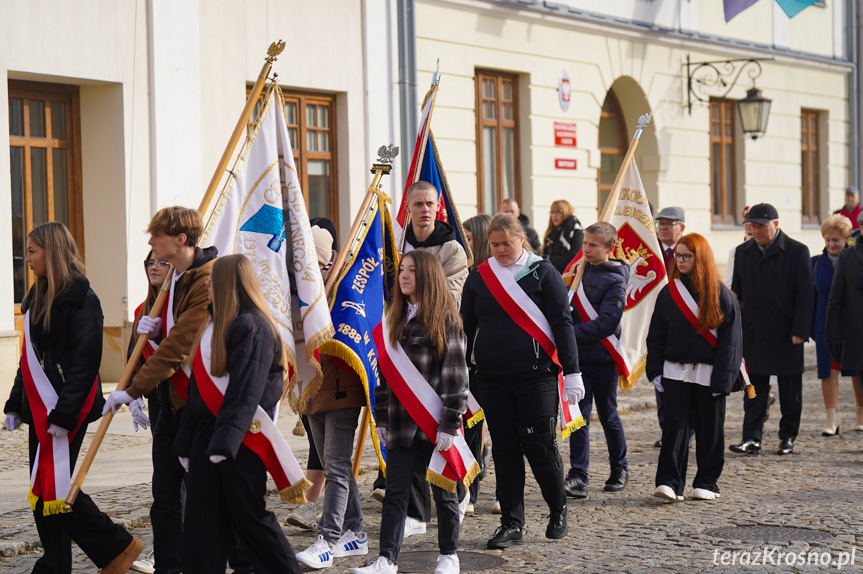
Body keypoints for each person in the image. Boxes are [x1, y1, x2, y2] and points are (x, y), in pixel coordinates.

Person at [4, 221, 144, 573]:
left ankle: (116, 546)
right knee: (46, 491)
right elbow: (30, 360)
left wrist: (64, 414)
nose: (28, 259)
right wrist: (15, 402)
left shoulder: (82, 299)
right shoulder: (36, 296)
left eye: (32, 251)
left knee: (55, 487)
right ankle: (62, 562)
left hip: (70, 408)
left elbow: (84, 364)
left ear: (51, 252)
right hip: (41, 408)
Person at [102, 206, 217, 574]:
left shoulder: (204, 280)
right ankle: (170, 566)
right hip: (168, 402)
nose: (151, 244)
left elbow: (180, 344)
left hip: (198, 401)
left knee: (205, 495)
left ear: (180, 240)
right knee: (165, 493)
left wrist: (133, 390)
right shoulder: (173, 279)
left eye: (158, 237)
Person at [171, 254, 301, 574]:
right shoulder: (214, 325)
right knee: (202, 522)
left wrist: (223, 443)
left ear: (230, 283)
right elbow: (197, 391)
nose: (207, 284)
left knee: (250, 519)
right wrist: (186, 443)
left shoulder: (253, 326)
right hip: (210, 436)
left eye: (214, 280)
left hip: (241, 439)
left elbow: (244, 391)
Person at [462, 213, 583, 549]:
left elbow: (562, 325)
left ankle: (558, 507)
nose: (500, 250)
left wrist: (572, 371)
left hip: (537, 376)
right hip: (491, 378)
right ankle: (511, 523)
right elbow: (467, 328)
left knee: (539, 446)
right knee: (505, 450)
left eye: (506, 243)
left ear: (522, 239)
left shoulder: (543, 273)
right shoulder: (480, 277)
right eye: (495, 244)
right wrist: (462, 372)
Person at [350, 250, 469, 574]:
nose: (403, 275)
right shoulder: (394, 320)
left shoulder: (446, 320)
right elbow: (384, 379)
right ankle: (387, 560)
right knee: (395, 494)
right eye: (402, 269)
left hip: (434, 426)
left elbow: (455, 378)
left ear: (428, 276)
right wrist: (383, 420)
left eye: (412, 271)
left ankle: (449, 556)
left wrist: (448, 423)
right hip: (402, 426)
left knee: (444, 492)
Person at [295, 226, 369, 569]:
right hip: (311, 387)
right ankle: (356, 532)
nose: (315, 273)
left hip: (341, 388)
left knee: (337, 465)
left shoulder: (344, 285)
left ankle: (327, 539)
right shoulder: (301, 287)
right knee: (332, 464)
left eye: (321, 266)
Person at [647, 233, 742, 502]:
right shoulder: (669, 292)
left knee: (710, 428)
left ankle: (707, 482)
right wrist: (655, 369)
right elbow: (656, 335)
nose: (680, 260)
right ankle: (669, 482)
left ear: (700, 258)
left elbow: (731, 343)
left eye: (687, 255)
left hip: (710, 374)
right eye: (678, 255)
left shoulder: (722, 295)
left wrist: (724, 380)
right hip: (675, 371)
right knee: (674, 428)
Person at [729, 203, 813, 456]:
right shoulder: (743, 252)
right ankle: (751, 438)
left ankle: (787, 436)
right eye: (752, 226)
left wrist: (800, 328)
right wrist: (735, 328)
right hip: (753, 332)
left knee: (790, 390)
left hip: (787, 332)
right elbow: (737, 294)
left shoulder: (797, 251)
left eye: (762, 226)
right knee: (753, 390)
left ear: (775, 225)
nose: (757, 231)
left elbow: (806, 294)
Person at [565, 222, 629, 499]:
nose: (586, 249)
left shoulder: (615, 279)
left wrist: (568, 335)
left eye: (593, 245)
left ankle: (619, 468)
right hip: (577, 359)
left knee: (608, 415)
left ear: (609, 248)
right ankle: (578, 475)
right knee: (578, 419)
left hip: (602, 358)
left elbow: (607, 323)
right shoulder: (579, 270)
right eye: (585, 243)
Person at [286, 223, 337, 531]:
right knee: (319, 446)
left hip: (333, 379)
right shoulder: (296, 287)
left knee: (333, 451)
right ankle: (310, 506)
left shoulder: (335, 287)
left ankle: (326, 510)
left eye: (318, 264)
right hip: (307, 376)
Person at [812, 215, 863, 435]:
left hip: (852, 322)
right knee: (827, 371)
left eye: (836, 240)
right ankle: (831, 418)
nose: (832, 244)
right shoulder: (815, 263)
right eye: (828, 240)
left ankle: (860, 414)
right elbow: (809, 296)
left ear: (846, 240)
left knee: (856, 371)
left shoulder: (854, 259)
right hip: (825, 321)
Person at [462, 214, 493, 515]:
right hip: (467, 361)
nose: (464, 243)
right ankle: (470, 491)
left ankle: (505, 495)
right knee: (469, 425)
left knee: (503, 429)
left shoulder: (493, 273)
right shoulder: (463, 271)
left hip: (495, 361)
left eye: (469, 239)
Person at [402, 180, 469, 306]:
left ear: (438, 206)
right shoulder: (398, 245)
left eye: (430, 204)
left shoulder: (453, 250)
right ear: (407, 207)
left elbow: (450, 299)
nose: (425, 209)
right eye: (418, 204)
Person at [653, 206, 687, 448]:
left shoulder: (688, 251)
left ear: (681, 228)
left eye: (669, 223)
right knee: (660, 376)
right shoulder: (651, 250)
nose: (663, 227)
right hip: (657, 322)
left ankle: (687, 428)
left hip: (683, 322)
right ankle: (667, 429)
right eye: (661, 223)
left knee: (683, 381)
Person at [542, 199, 583, 274]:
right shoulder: (552, 232)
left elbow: (575, 257)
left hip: (568, 275)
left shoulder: (575, 230)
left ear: (566, 212)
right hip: (552, 273)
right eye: (552, 212)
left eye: (558, 212)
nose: (554, 215)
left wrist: (547, 259)